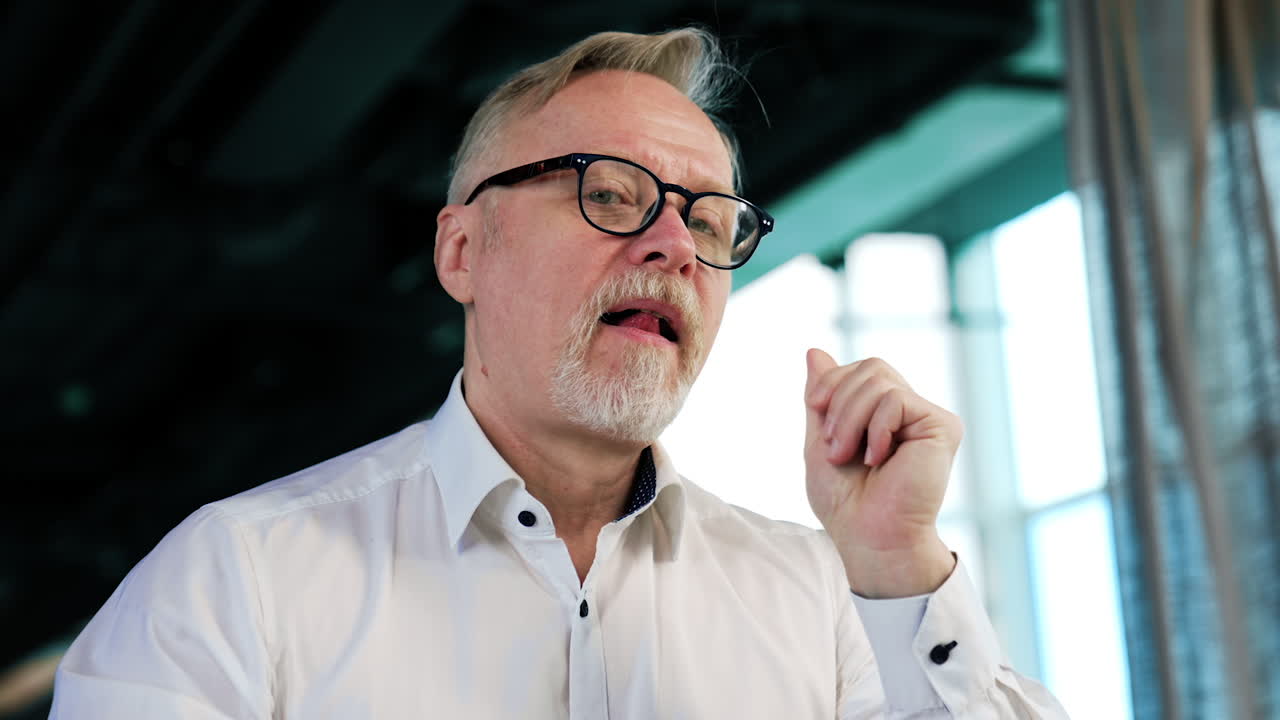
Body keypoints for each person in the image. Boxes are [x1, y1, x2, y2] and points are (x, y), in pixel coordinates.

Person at [50, 28, 1069, 719]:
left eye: (710, 220)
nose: (674, 244)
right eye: (614, 194)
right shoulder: (235, 581)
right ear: (462, 253)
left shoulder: (822, 598)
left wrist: (895, 563)